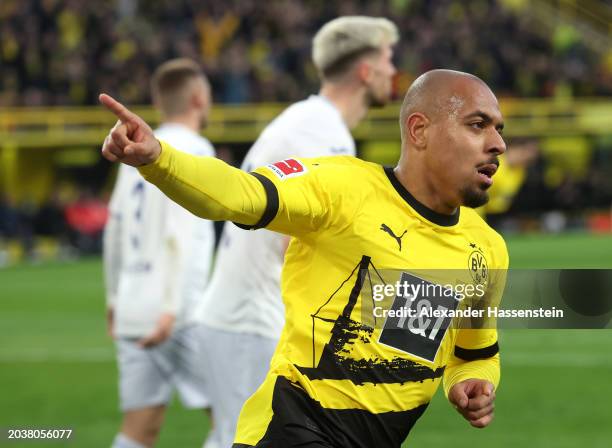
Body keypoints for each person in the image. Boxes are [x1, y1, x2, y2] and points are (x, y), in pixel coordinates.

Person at [99, 68, 508, 447]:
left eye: (498, 130)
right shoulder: (342, 188)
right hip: (293, 427)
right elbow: (241, 194)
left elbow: (474, 354)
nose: (498, 144)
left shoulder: (485, 249)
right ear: (419, 130)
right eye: (478, 125)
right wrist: (159, 159)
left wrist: (472, 381)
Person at [196, 16, 397, 447]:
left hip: (242, 315)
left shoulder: (309, 122)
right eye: (388, 58)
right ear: (365, 71)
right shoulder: (321, 134)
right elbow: (304, 239)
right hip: (252, 319)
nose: (393, 70)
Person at [103, 58, 217, 448]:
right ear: (200, 98)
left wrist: (114, 299)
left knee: (140, 427)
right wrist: (171, 308)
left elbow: (114, 228)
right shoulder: (194, 148)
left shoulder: (134, 147)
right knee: (241, 416)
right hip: (180, 311)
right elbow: (181, 235)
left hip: (135, 307)